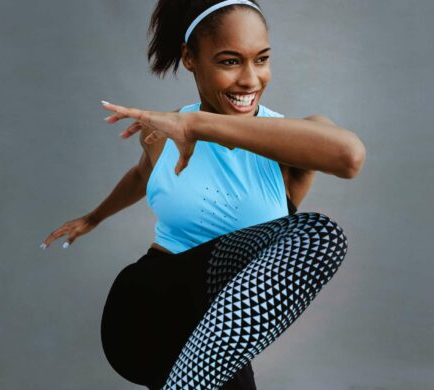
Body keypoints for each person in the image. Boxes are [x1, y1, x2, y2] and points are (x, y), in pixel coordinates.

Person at [41, 0, 366, 389]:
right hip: (147, 311)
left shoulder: (297, 140)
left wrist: (196, 125)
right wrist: (93, 217)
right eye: (230, 61)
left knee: (319, 236)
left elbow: (349, 156)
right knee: (318, 234)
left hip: (217, 335)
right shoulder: (160, 134)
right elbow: (141, 177)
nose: (250, 80)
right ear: (190, 59)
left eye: (261, 60)